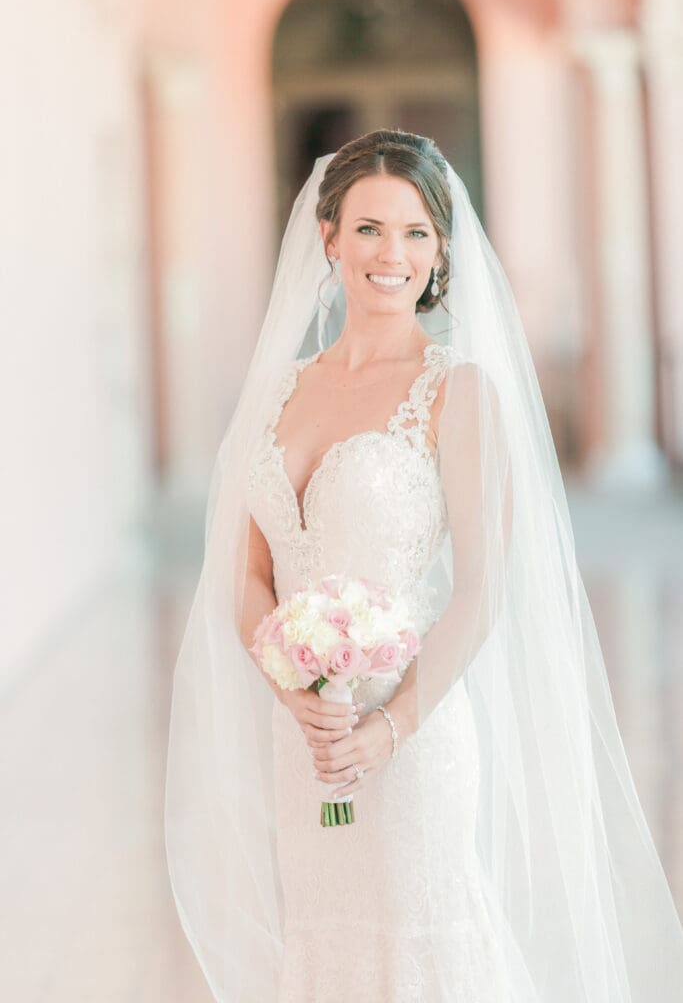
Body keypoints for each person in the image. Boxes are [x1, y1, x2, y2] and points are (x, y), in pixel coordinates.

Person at [164, 129, 683, 1002]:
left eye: (414, 233)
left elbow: (481, 593)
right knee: (326, 946)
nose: (389, 254)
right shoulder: (277, 390)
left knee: (421, 949)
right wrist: (297, 695)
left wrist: (384, 729)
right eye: (368, 229)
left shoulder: (459, 391)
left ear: (441, 248)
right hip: (308, 749)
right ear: (328, 238)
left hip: (413, 742)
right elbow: (247, 575)